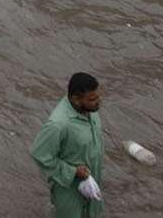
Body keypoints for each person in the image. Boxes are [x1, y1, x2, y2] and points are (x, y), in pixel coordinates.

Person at [30, 72, 105, 218]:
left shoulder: (90, 110)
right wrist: (73, 171)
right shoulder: (58, 124)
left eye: (98, 96)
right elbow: (39, 154)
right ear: (76, 99)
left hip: (91, 180)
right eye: (92, 99)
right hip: (68, 188)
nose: (98, 101)